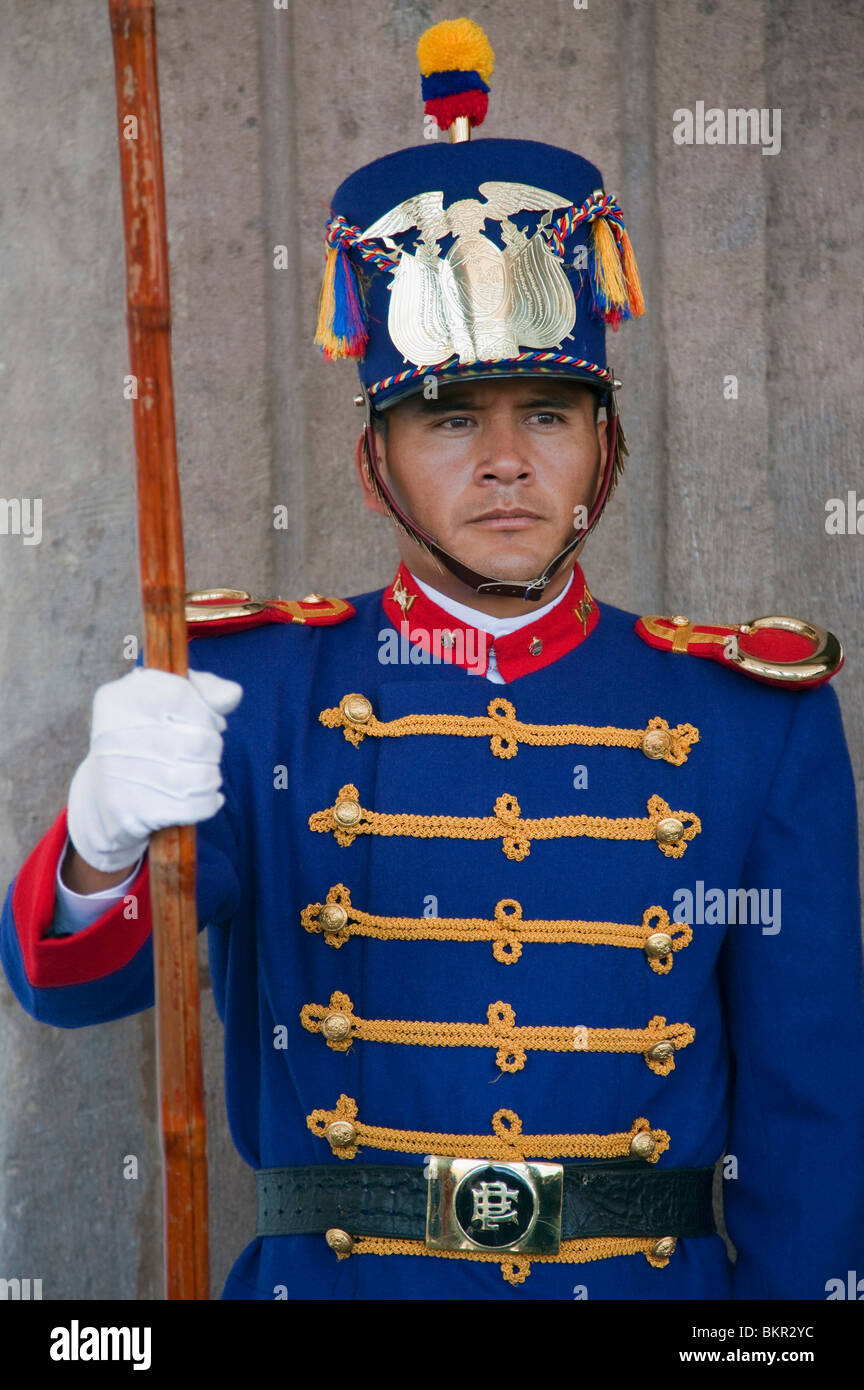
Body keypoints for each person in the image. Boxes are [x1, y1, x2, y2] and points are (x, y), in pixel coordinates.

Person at [2, 18, 863, 1302]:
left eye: (551, 415)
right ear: (377, 459)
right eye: (451, 417)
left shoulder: (753, 716)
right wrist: (97, 847)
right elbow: (74, 989)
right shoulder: (253, 696)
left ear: (604, 446)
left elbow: (810, 1120)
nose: (505, 461)